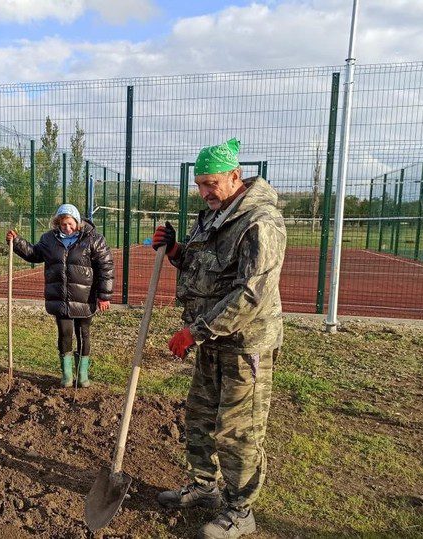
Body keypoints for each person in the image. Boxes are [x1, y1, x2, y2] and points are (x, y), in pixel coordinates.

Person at [152, 139, 286, 538]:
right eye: (199, 185)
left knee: (237, 430)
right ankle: (205, 487)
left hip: (246, 344)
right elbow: (203, 266)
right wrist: (176, 250)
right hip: (211, 341)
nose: (205, 192)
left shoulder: (261, 222)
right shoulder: (213, 215)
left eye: (211, 183)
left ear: (235, 176)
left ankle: (240, 511)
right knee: (198, 415)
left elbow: (250, 294)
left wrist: (194, 331)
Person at [7, 204, 114, 388]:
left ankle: (82, 375)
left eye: (71, 224)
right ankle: (66, 375)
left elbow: (106, 268)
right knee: (64, 334)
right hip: (60, 298)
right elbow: (34, 254)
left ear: (77, 222)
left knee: (83, 334)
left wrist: (104, 295)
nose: (67, 228)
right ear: (58, 223)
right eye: (63, 224)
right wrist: (17, 242)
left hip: (85, 297)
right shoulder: (49, 240)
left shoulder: (94, 240)